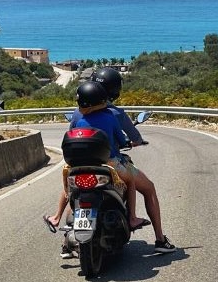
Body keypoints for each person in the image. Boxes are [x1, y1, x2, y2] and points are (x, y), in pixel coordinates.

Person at [73, 67, 175, 254]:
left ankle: (66, 241)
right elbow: (134, 138)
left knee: (70, 192)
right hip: (112, 164)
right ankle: (159, 239)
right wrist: (135, 142)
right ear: (114, 90)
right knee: (149, 188)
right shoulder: (115, 114)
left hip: (81, 164)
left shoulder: (78, 112)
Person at [44, 80, 148, 257]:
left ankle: (55, 217)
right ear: (102, 100)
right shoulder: (110, 116)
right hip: (108, 163)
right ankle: (132, 218)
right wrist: (128, 143)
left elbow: (71, 133)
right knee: (130, 181)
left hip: (77, 164)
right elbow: (122, 142)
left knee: (69, 189)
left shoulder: (76, 116)